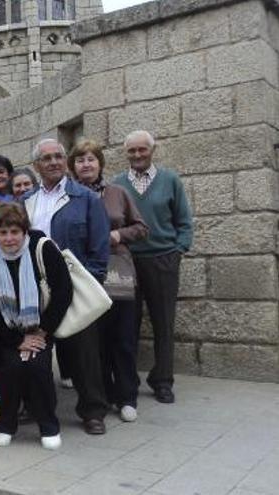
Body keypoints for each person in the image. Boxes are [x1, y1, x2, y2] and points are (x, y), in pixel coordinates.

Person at [24, 138, 111, 435]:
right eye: (46, 158)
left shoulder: (85, 198)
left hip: (74, 284)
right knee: (38, 349)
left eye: (58, 156)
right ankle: (38, 406)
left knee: (84, 352)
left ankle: (93, 411)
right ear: (37, 165)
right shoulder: (27, 202)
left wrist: (93, 281)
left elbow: (100, 247)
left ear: (65, 161)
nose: (53, 162)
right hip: (38, 288)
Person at [0, 203, 72, 450]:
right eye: (3, 232)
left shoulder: (43, 248)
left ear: (24, 231)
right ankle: (6, 424)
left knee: (38, 368)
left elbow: (63, 292)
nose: (9, 239)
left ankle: (48, 425)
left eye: (14, 232)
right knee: (12, 368)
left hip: (41, 327)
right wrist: (15, 340)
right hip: (5, 331)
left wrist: (42, 331)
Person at [70, 140, 149, 422]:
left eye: (91, 159)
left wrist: (118, 235)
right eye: (80, 160)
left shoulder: (118, 193)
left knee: (123, 336)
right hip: (86, 273)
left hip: (117, 268)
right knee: (95, 339)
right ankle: (104, 393)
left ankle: (127, 396)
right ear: (73, 167)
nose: (86, 164)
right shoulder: (70, 197)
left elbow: (141, 228)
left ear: (100, 163)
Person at [113, 130, 192, 405]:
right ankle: (127, 382)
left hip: (163, 259)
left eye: (141, 150)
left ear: (152, 150)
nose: (136, 155)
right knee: (126, 324)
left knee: (163, 322)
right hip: (126, 263)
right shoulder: (117, 184)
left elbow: (184, 220)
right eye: (131, 151)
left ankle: (162, 380)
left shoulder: (170, 180)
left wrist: (179, 249)